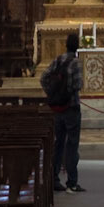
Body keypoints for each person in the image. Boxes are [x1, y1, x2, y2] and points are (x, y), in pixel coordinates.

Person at [42, 32, 84, 192]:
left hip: (57, 108)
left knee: (58, 143)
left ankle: (54, 179)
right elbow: (78, 84)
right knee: (72, 144)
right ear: (77, 46)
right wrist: (67, 93)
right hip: (71, 107)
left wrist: (52, 93)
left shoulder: (57, 60)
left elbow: (44, 77)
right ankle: (72, 182)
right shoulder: (75, 62)